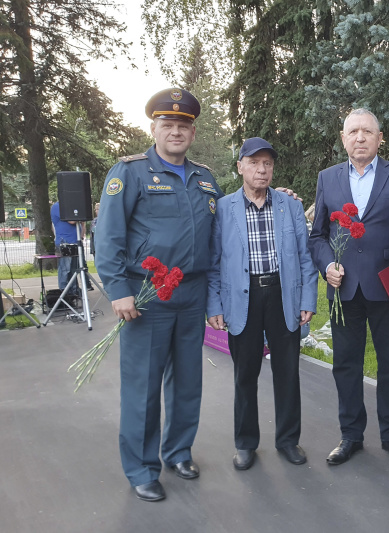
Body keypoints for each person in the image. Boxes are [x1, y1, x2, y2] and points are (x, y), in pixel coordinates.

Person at [95, 88, 221, 502]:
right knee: (143, 385)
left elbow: (218, 235)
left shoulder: (205, 178)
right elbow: (108, 236)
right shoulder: (129, 172)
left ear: (193, 131)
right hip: (145, 296)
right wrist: (118, 289)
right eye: (168, 124)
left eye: (183, 125)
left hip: (192, 293)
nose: (176, 131)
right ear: (154, 128)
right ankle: (141, 468)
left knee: (188, 382)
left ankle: (178, 451)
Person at [308, 108, 389, 466]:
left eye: (367, 132)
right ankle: (350, 435)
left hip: (388, 286)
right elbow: (318, 235)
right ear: (343, 138)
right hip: (343, 290)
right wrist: (327, 265)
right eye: (353, 131)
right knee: (346, 363)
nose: (360, 137)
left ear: (380, 138)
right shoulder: (327, 178)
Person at [206, 137, 317, 471]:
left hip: (283, 295)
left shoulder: (290, 206)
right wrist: (214, 305)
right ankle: (245, 443)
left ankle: (287, 440)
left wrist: (307, 298)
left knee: (287, 373)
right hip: (243, 298)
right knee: (245, 374)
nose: (262, 169)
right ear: (240, 166)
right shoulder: (223, 209)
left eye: (267, 163)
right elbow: (213, 262)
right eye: (254, 163)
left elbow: (305, 257)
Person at [50, 201, 81, 298]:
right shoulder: (58, 206)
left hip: (74, 241)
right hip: (64, 242)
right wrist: (81, 216)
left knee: (74, 269)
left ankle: (74, 291)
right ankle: (64, 292)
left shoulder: (69, 206)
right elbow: (71, 220)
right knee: (65, 269)